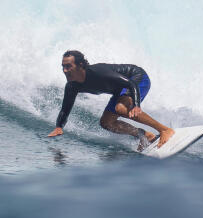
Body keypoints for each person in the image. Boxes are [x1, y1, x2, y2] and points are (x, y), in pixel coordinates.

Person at [47, 50, 175, 150]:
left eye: (68, 66)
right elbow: (65, 109)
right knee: (106, 123)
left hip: (137, 78)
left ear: (80, 65)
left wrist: (136, 104)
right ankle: (146, 136)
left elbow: (131, 84)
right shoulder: (72, 86)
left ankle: (164, 130)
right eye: (63, 67)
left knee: (121, 108)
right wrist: (59, 127)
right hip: (120, 90)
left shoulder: (98, 73)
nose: (64, 71)